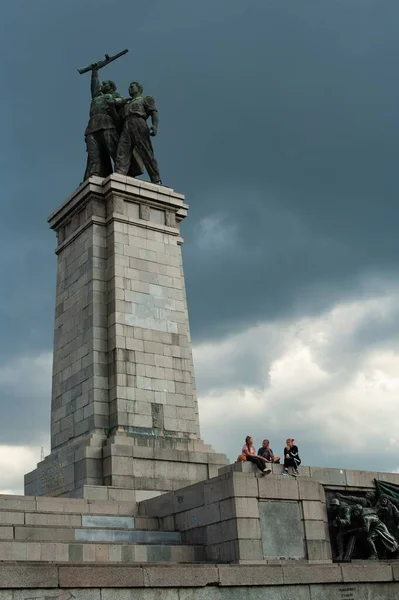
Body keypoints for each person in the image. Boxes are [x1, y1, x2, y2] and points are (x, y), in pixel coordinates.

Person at [83, 67, 143, 180]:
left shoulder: (114, 96)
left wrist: (115, 102)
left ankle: (124, 170)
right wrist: (94, 72)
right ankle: (94, 173)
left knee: (113, 150)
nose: (102, 85)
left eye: (105, 84)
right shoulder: (97, 97)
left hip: (107, 124)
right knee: (93, 154)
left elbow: (123, 102)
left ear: (111, 87)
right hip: (92, 126)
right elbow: (94, 86)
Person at [114, 81, 162, 184]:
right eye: (129, 87)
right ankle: (119, 174)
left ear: (138, 88)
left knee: (146, 151)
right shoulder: (126, 102)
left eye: (132, 87)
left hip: (139, 123)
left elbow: (154, 112)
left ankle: (155, 178)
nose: (129, 89)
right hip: (126, 125)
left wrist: (154, 126)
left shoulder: (145, 99)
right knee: (122, 150)